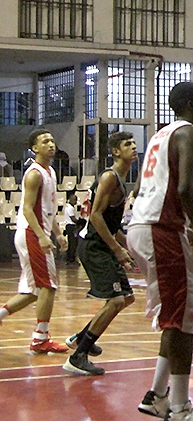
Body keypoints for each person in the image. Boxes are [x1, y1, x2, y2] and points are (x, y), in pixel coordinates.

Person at [126, 82, 193, 421]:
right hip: (158, 230)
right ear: (190, 104)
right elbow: (184, 190)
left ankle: (157, 395)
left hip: (145, 226)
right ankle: (180, 408)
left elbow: (148, 187)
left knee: (174, 317)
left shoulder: (160, 135)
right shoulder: (191, 133)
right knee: (183, 320)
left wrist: (187, 227)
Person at [62, 131, 137, 376]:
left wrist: (129, 247)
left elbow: (111, 224)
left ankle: (81, 338)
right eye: (128, 144)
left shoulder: (122, 179)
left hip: (103, 244)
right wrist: (118, 250)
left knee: (126, 298)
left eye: (134, 143)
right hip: (93, 246)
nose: (134, 146)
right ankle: (77, 356)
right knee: (115, 300)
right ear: (116, 151)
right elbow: (95, 216)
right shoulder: (109, 177)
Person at [0, 129, 69, 354]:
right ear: (35, 148)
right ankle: (40, 338)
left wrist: (57, 233)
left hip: (38, 232)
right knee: (48, 286)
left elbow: (48, 209)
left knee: (32, 291)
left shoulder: (50, 172)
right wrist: (41, 236)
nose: (51, 144)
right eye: (45, 141)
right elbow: (27, 209)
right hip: (31, 233)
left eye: (52, 139)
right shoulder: (34, 174)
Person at [63, 192, 83, 266]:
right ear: (70, 200)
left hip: (70, 226)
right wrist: (80, 222)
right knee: (73, 244)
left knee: (72, 243)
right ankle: (71, 259)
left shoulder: (69, 207)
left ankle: (69, 258)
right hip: (71, 227)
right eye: (74, 200)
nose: (75, 201)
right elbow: (73, 218)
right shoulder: (70, 208)